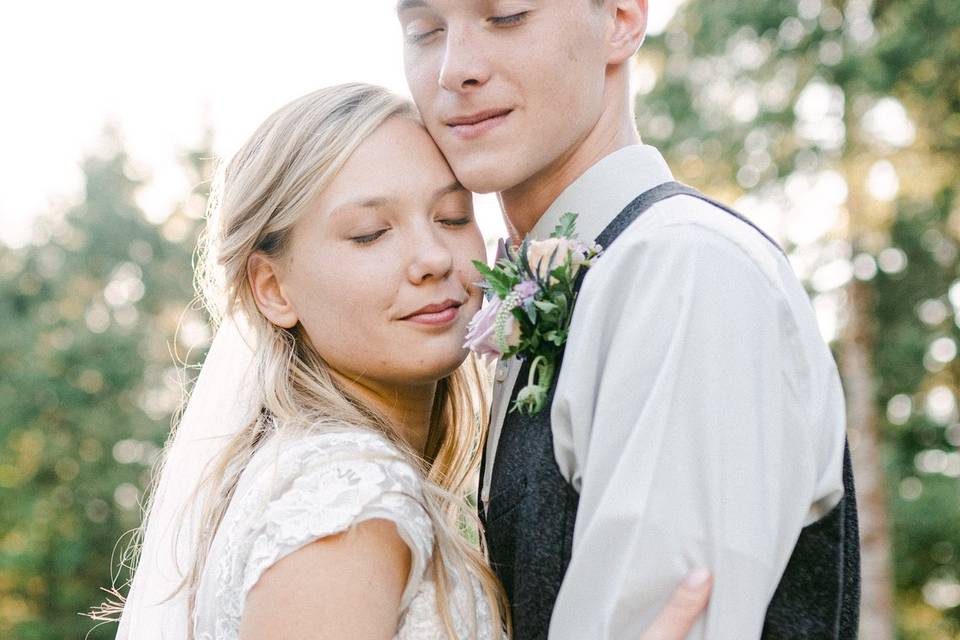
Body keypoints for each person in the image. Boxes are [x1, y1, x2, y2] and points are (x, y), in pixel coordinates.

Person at [111, 84, 711, 640]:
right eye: (371, 233)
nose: (432, 258)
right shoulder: (348, 499)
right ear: (273, 288)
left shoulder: (307, 475)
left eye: (452, 218)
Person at [398, 1, 860, 639]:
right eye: (425, 31)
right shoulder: (576, 282)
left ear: (621, 18)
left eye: (505, 16)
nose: (454, 69)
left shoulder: (683, 270)